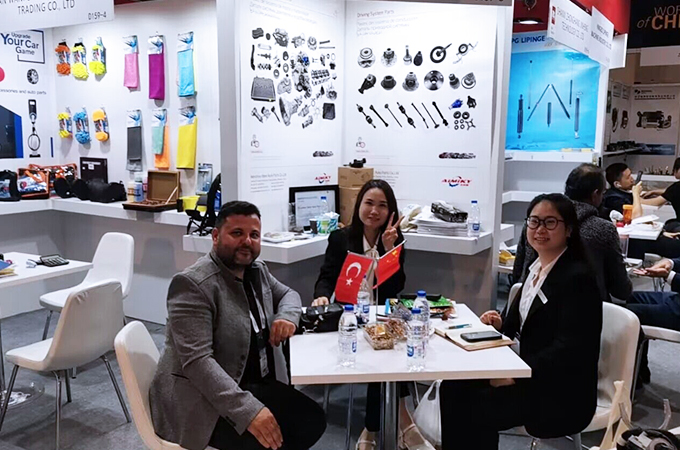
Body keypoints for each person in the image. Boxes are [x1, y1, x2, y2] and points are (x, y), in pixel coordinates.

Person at [149, 201, 326, 450]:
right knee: (279, 440)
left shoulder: (256, 270)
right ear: (215, 236)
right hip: (201, 401)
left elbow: (289, 295)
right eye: (237, 233)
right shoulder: (192, 285)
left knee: (312, 421)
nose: (247, 242)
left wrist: (287, 316)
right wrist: (249, 411)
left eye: (254, 235)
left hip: (245, 381)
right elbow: (198, 363)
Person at [440, 194, 602, 450]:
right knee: (452, 387)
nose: (540, 229)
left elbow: (570, 349)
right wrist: (499, 324)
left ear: (569, 229)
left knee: (475, 404)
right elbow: (522, 325)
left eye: (550, 222)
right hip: (528, 372)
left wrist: (517, 374)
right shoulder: (536, 267)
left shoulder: (578, 278)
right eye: (534, 221)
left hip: (558, 389)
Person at [312, 180, 427, 450]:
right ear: (359, 205)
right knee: (385, 356)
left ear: (391, 212)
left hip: (385, 314)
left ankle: (373, 429)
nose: (374, 211)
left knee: (390, 351)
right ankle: (402, 423)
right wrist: (321, 296)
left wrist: (388, 250)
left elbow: (395, 287)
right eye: (369, 203)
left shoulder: (395, 239)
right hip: (352, 314)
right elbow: (327, 276)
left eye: (382, 206)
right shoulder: (341, 238)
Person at [513, 164, 632, 301]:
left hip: (530, 298)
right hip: (586, 306)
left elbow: (518, 274)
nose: (541, 230)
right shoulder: (602, 229)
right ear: (595, 194)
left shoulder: (535, 223)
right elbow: (621, 290)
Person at [628, 257, 680, 384]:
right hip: (676, 300)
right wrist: (670, 263)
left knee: (626, 315)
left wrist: (669, 276)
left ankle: (631, 379)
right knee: (627, 297)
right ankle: (640, 372)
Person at [641, 157, 680, 226]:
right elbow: (670, 191)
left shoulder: (676, 187)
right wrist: (654, 192)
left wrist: (636, 197)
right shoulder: (675, 188)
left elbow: (654, 203)